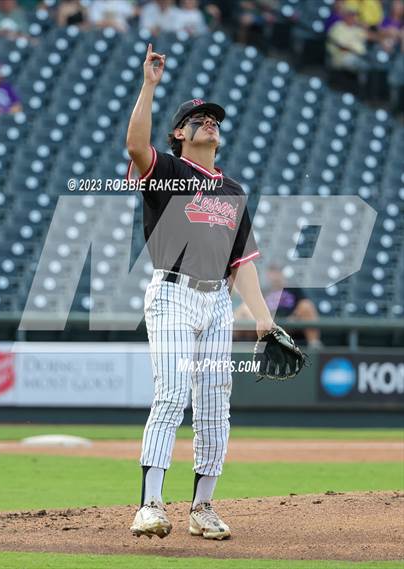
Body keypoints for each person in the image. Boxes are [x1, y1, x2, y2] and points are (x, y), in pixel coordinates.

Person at [126, 43, 274, 540]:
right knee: (170, 395)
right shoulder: (166, 170)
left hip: (216, 303)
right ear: (179, 133)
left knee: (215, 402)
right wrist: (149, 85)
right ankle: (149, 505)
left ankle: (203, 507)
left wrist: (263, 316)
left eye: (213, 119)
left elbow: (243, 263)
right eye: (198, 118)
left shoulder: (232, 191)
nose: (209, 123)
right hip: (172, 294)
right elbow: (135, 147)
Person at [234, 265, 322, 349]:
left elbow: (304, 304)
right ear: (268, 274)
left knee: (306, 306)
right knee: (243, 309)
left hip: (290, 322)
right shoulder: (264, 290)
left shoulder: (292, 288)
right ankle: (231, 346)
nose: (275, 275)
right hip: (268, 323)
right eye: (272, 272)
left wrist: (293, 318)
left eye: (277, 271)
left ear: (282, 273)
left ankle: (314, 344)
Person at [327, 4, 369, 72]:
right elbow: (340, 46)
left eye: (355, 16)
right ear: (346, 16)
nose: (354, 18)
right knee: (358, 63)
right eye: (352, 15)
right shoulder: (338, 26)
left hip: (358, 56)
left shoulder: (356, 28)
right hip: (341, 56)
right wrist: (354, 51)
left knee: (370, 63)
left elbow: (369, 36)